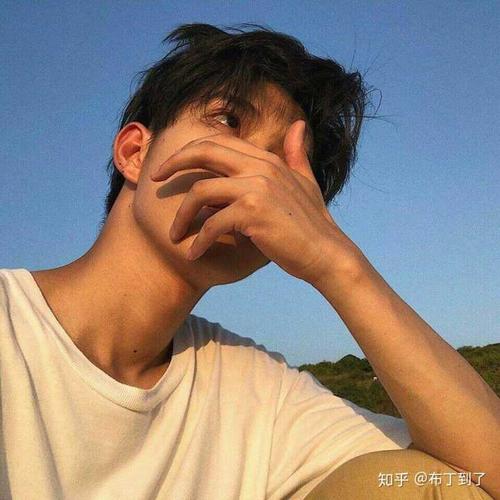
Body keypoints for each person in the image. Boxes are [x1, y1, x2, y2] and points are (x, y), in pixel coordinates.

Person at [0, 22, 498, 500]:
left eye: (287, 168)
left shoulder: (260, 393)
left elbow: (478, 475)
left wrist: (335, 261)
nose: (258, 174)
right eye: (228, 121)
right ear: (134, 152)